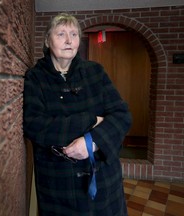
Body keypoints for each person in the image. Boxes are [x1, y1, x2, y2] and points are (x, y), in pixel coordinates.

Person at [23, 13, 132, 216]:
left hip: (103, 182)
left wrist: (92, 142)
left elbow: (122, 115)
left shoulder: (95, 72)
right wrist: (90, 120)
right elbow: (34, 125)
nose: (68, 40)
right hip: (58, 185)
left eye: (74, 34)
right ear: (47, 40)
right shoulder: (36, 78)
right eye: (61, 33)